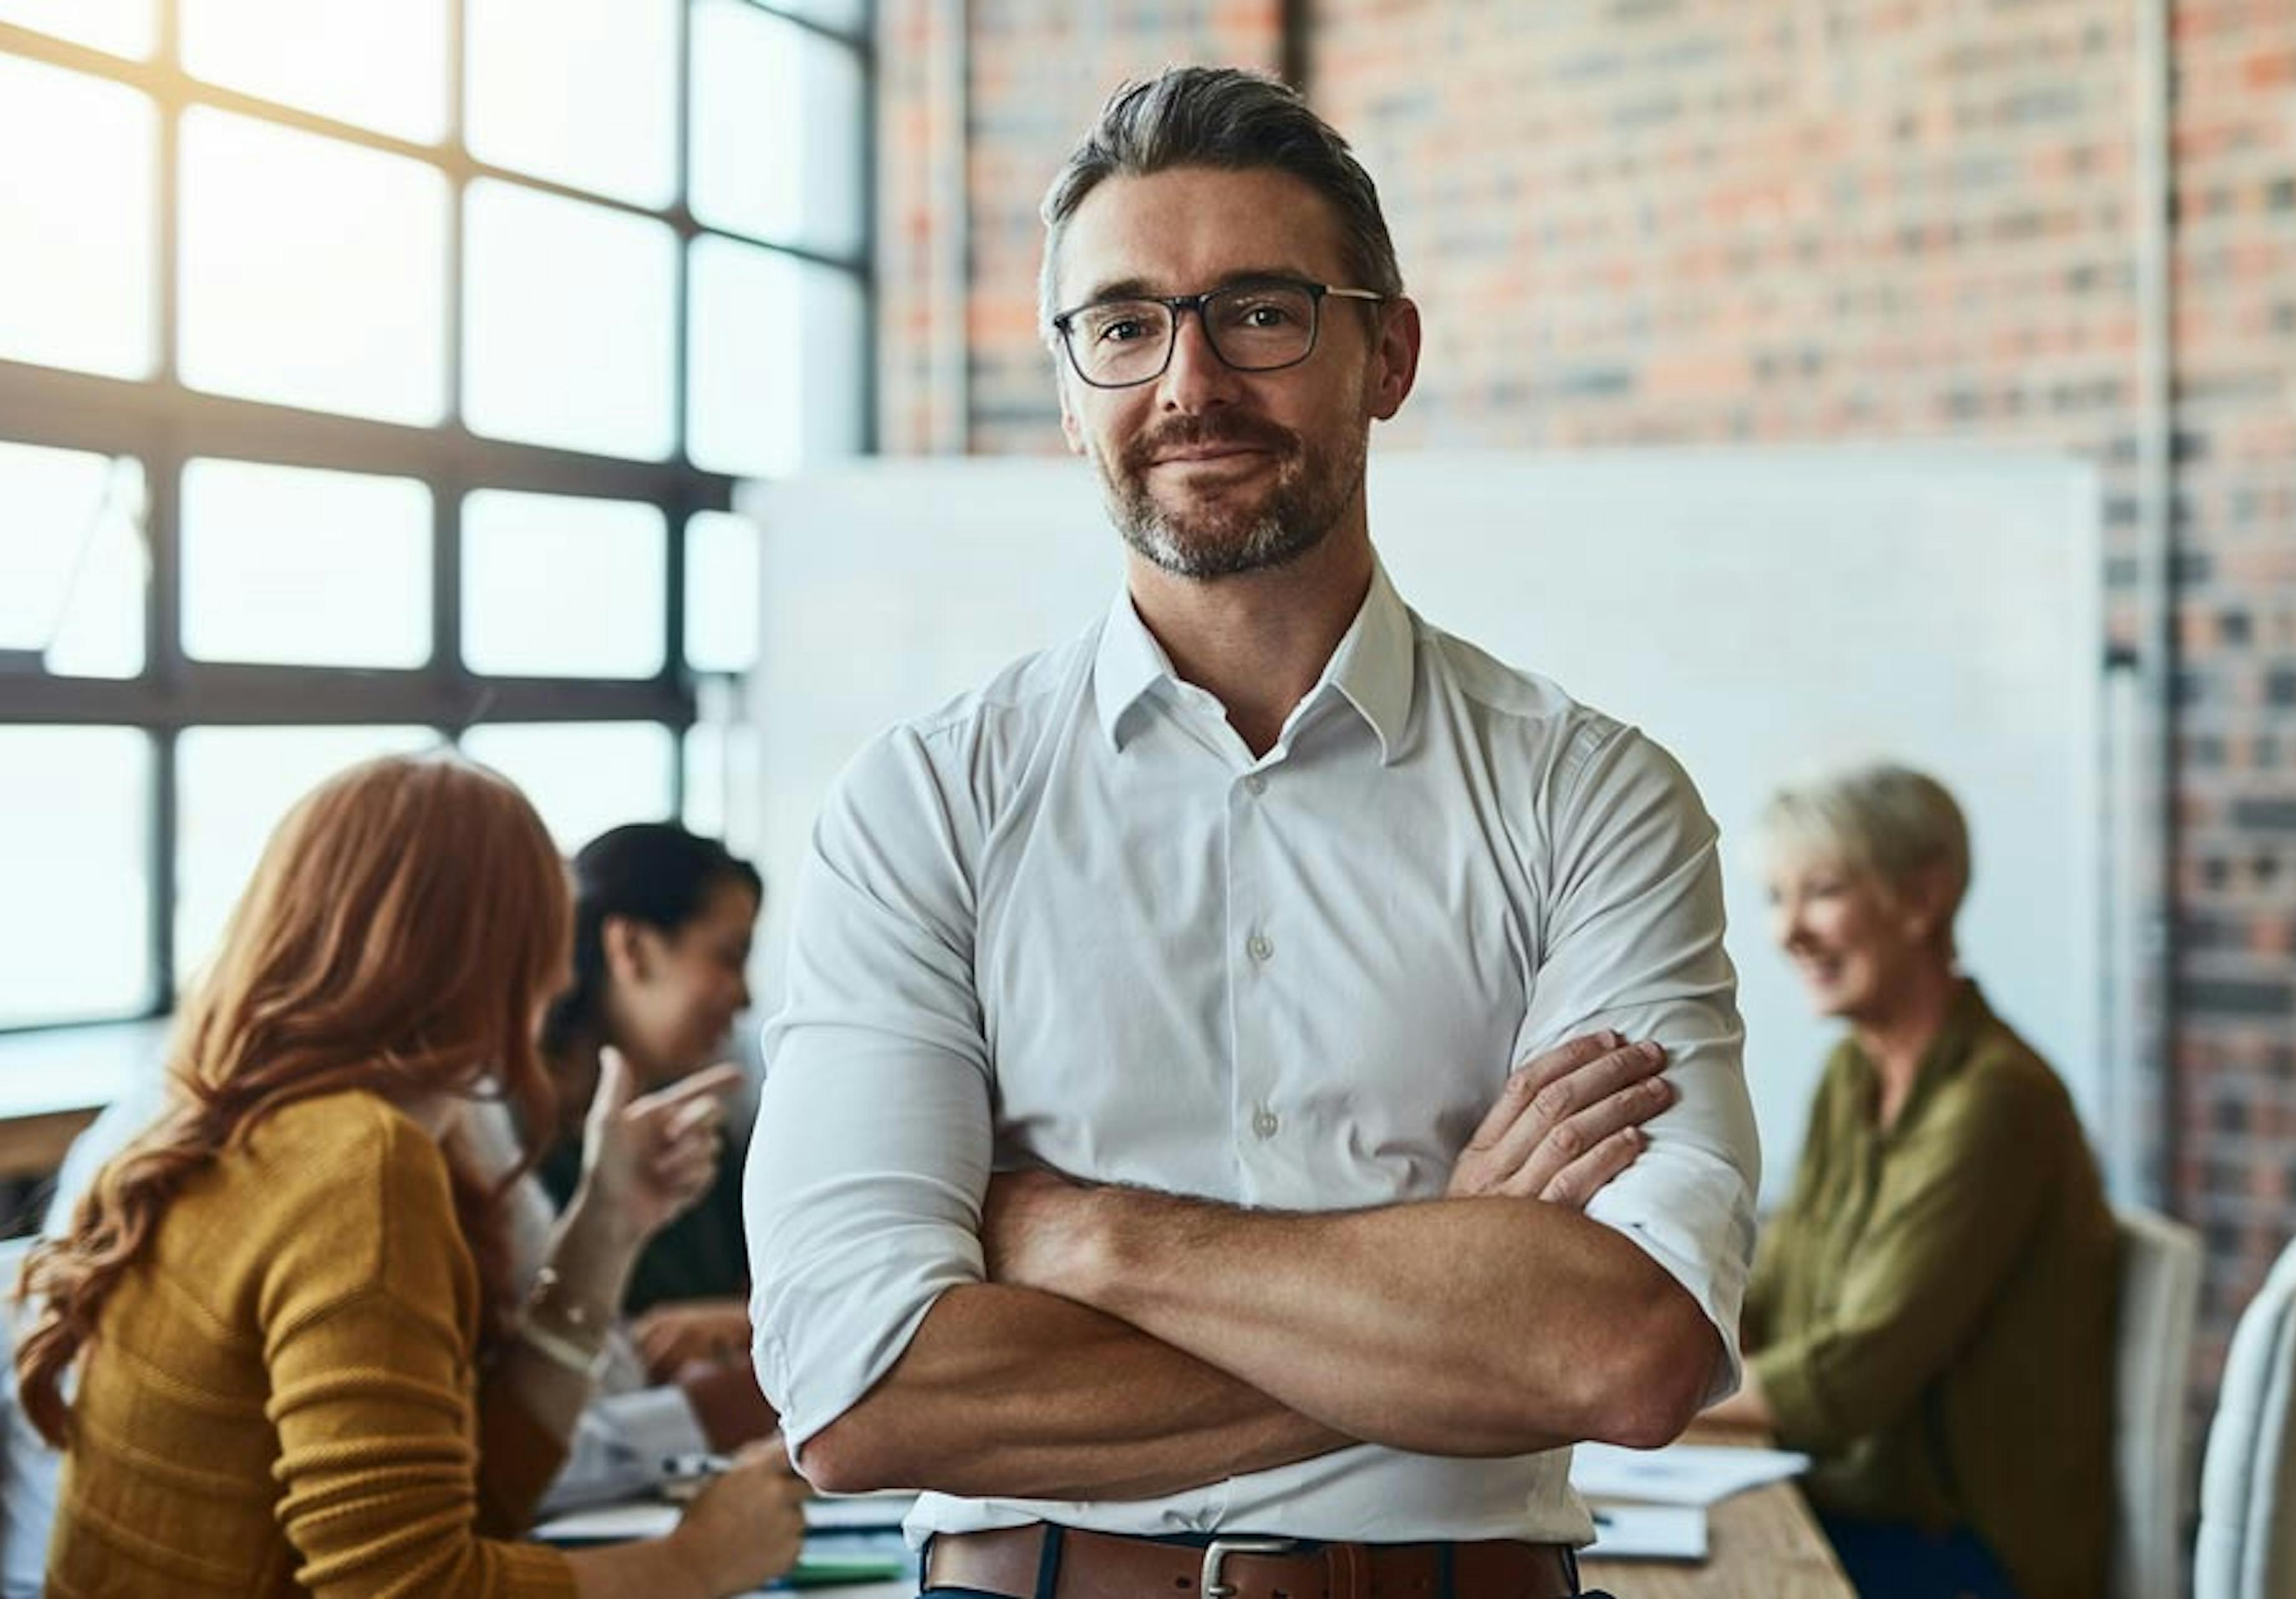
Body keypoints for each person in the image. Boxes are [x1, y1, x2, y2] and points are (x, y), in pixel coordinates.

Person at [745, 66, 1761, 1599]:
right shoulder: (924, 805)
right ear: (1070, 378)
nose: (1187, 383)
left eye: (1262, 312)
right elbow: (859, 1389)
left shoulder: (1591, 796)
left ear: (1387, 351)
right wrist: (1448, 1269)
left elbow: (1620, 1346)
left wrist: (1085, 1238)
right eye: (1123, 324)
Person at [17, 755, 806, 1598]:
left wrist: (607, 1224)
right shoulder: (360, 1163)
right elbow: (405, 1586)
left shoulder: (262, 1123)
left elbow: (469, 1505)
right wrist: (693, 1562)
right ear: (501, 952)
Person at [1709, 763, 2115, 1599]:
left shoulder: (1998, 1102)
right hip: (1859, 1510)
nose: (1788, 932)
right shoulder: (1851, 1079)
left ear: (1923, 898)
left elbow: (1849, 1381)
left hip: (1969, 1557)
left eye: (1820, 890)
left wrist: (1624, 1394)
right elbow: (1772, 1298)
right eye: (1775, 897)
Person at [537, 824, 771, 1433]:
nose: (744, 997)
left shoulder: (708, 1137)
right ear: (632, 948)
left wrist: (742, 1320)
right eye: (728, 955)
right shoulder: (511, 1151)